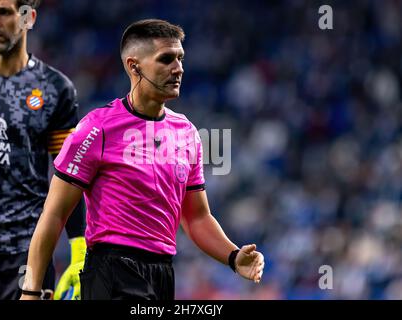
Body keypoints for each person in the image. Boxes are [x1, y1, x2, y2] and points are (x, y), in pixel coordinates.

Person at [20, 19, 265, 300]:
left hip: (162, 274)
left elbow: (196, 217)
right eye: (166, 59)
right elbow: (54, 214)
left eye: (180, 58)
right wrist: (30, 291)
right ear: (134, 66)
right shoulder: (96, 129)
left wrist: (233, 257)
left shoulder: (186, 133)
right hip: (112, 271)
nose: (178, 68)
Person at [0, 0, 86, 300]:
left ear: (28, 18)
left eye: (4, 12)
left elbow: (70, 174)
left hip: (25, 256)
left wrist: (79, 248)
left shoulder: (54, 89)